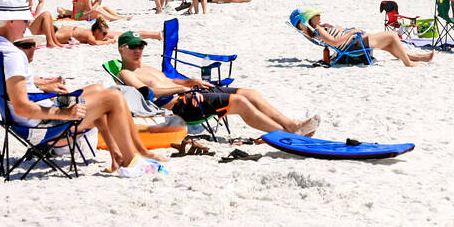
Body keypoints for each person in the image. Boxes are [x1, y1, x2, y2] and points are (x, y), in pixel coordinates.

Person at [0, 0, 165, 175]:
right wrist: (64, 113)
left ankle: (117, 155)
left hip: (29, 119)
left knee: (98, 90)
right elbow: (22, 107)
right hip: (41, 127)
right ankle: (130, 159)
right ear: (11, 21)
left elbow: (18, 98)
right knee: (113, 97)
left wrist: (49, 91)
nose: (27, 25)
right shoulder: (13, 55)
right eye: (24, 20)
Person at [115, 31, 321, 135]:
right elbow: (149, 92)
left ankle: (292, 125)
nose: (138, 50)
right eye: (133, 47)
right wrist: (184, 88)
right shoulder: (126, 72)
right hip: (179, 105)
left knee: (250, 93)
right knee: (239, 102)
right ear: (122, 49)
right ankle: (285, 134)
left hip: (188, 92)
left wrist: (191, 81)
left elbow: (169, 80)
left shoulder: (147, 67)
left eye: (140, 45)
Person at [295, 9, 435, 66]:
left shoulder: (318, 29)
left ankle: (418, 57)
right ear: (311, 19)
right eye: (317, 15)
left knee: (389, 45)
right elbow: (335, 42)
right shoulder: (319, 30)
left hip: (355, 41)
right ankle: (408, 63)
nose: (320, 16)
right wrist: (352, 32)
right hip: (354, 44)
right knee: (392, 35)